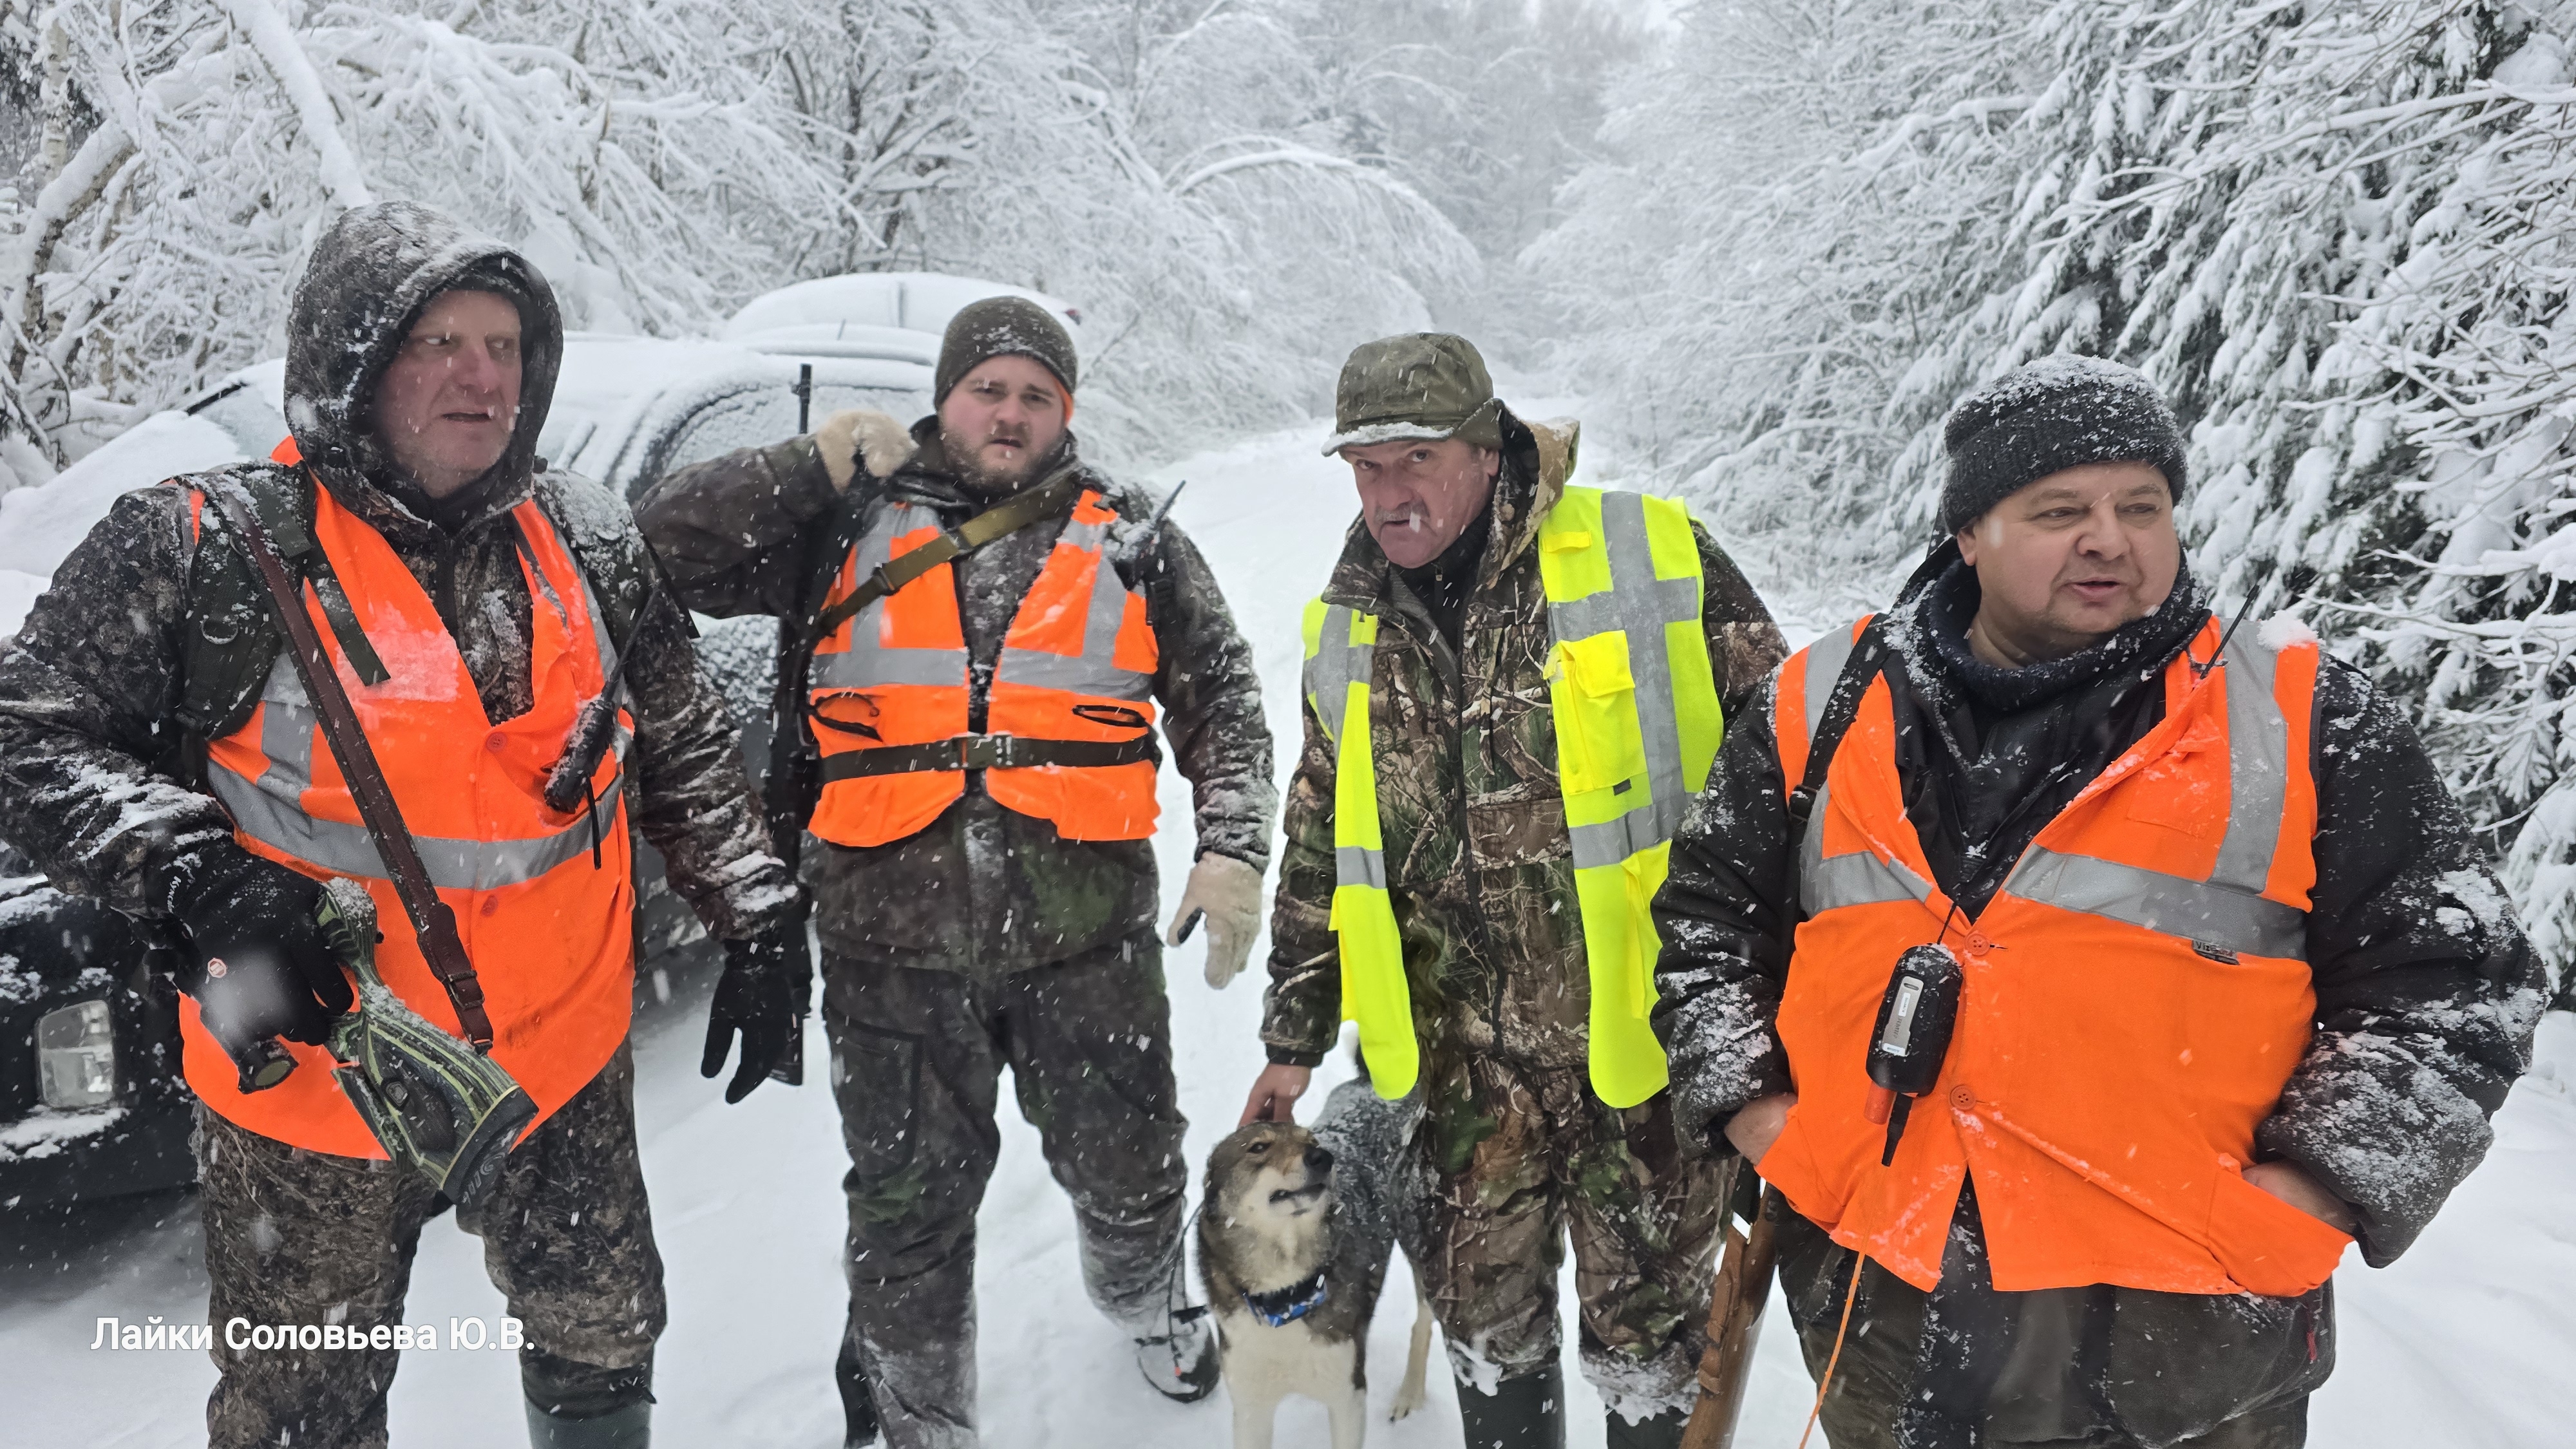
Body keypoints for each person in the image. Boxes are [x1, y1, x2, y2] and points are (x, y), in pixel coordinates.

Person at [0, 201, 806, 1449]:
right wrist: (194, 878)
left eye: (504, 344)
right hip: (321, 1086)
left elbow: (681, 735)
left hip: (560, 1061)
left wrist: (753, 911)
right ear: (348, 361)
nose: (483, 377)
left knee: (600, 1332)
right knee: (303, 1414)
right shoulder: (200, 548)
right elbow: (24, 736)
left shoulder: (586, 537)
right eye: (438, 342)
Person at [1650, 355, 2548, 1449]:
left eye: (2143, 505)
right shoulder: (1820, 705)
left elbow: (2458, 978)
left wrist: (2326, 1178)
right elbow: (1705, 921)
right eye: (2060, 509)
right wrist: (1757, 1112)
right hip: (1887, 1309)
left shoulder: (2301, 713)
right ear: (1970, 532)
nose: (2110, 539)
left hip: (2191, 1349)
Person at [636, 296, 1275, 1446]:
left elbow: (1224, 699)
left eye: (1038, 394)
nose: (1011, 412)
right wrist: (803, 465)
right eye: (991, 387)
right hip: (890, 956)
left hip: (1089, 947)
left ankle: (1143, 1298)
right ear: (947, 396)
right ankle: (925, 1419)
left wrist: (1231, 844)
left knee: (1131, 1177)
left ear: (1065, 413)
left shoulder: (1129, 534)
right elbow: (657, 551)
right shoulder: (843, 520)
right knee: (905, 1213)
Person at [1242, 332, 1788, 1449]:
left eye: (1417, 459)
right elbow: (1316, 837)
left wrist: (1793, 1008)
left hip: (1642, 1058)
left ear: (1490, 450)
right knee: (1490, 1329)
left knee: (1651, 1350)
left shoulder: (1650, 554)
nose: (1390, 495)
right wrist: (1290, 1035)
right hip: (1457, 1076)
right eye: (1365, 467)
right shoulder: (1345, 626)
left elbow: (1791, 771)